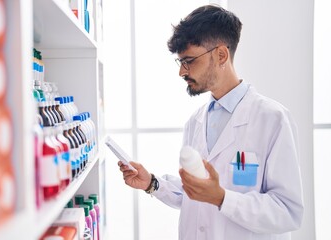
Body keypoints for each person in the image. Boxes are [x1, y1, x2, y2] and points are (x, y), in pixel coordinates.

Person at [118, 4, 304, 240]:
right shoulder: (195, 122)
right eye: (180, 62)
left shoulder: (272, 119)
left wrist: (222, 198)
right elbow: (195, 195)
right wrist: (152, 184)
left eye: (189, 60)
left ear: (221, 55)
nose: (182, 72)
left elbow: (287, 211)